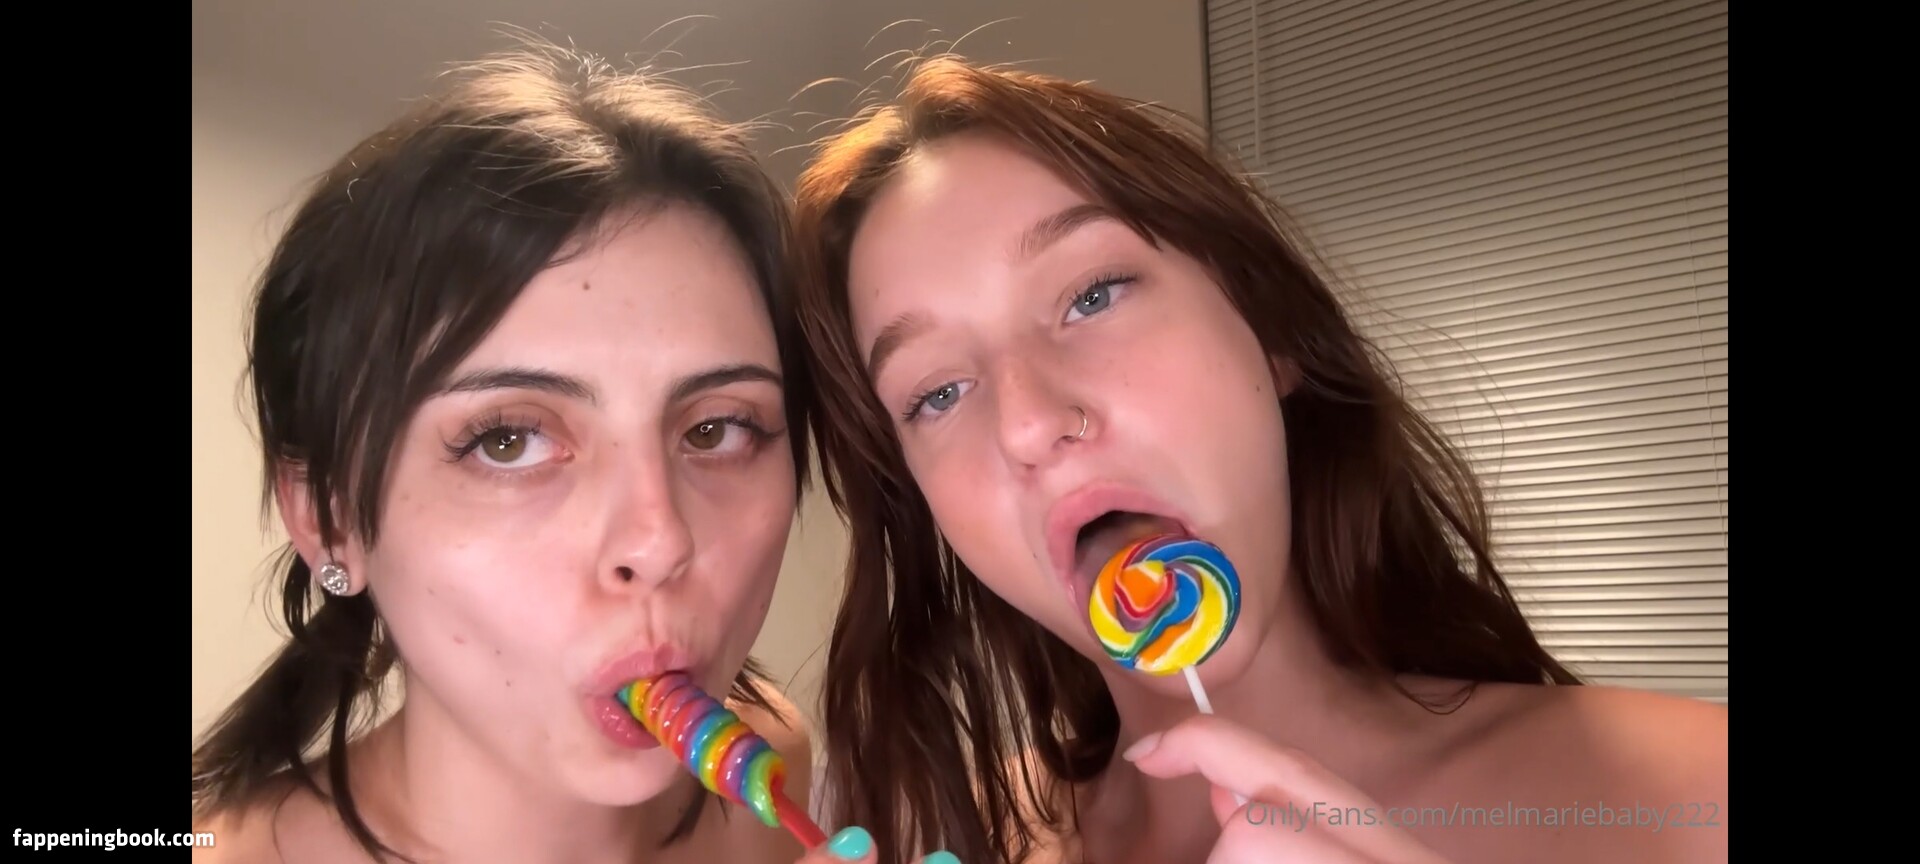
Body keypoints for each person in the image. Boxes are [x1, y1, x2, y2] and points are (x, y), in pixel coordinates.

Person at [785, 57, 1728, 864]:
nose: (1029, 424)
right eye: (937, 393)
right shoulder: (950, 838)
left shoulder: (1691, 796)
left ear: (1268, 333)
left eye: (1093, 295)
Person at [191, 38, 830, 864]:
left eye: (716, 429)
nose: (659, 541)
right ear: (329, 520)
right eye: (508, 440)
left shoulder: (768, 777)